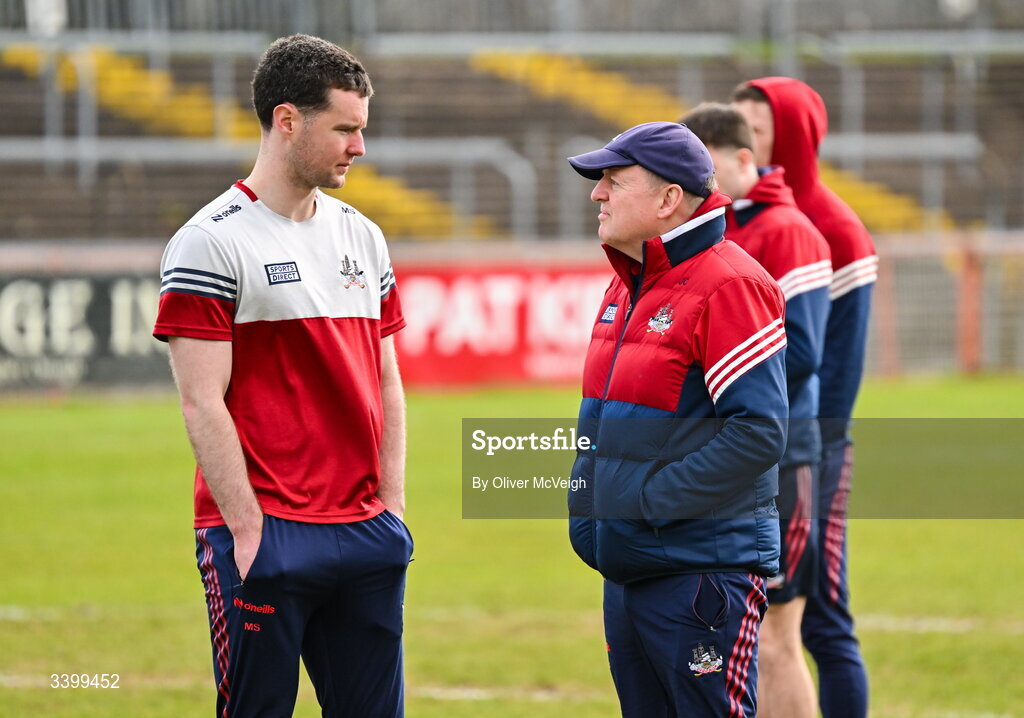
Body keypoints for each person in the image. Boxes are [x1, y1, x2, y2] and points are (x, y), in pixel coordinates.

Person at [152, 34, 413, 717]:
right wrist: (246, 529)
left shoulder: (364, 235)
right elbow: (201, 400)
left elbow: (387, 382)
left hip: (364, 532)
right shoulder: (210, 241)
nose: (359, 148)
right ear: (288, 120)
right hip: (268, 532)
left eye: (362, 130)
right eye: (345, 130)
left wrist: (393, 510)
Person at [565, 121, 789, 717]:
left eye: (614, 180)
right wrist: (592, 509)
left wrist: (644, 502)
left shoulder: (730, 283)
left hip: (698, 576)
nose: (598, 194)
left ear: (668, 200)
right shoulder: (627, 284)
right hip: (631, 565)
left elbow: (758, 432)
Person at [733, 78, 878, 718]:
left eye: (756, 131)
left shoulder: (834, 228)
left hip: (811, 445)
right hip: (766, 446)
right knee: (773, 623)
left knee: (819, 620)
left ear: (790, 136)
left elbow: (834, 359)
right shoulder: (747, 215)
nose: (743, 145)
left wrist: (815, 451)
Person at [682, 102, 833, 718]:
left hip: (784, 453)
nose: (700, 184)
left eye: (707, 167)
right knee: (742, 637)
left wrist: (703, 377)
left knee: (777, 638)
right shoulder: (727, 228)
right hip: (734, 460)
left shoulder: (787, 230)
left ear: (745, 160)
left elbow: (803, 350)